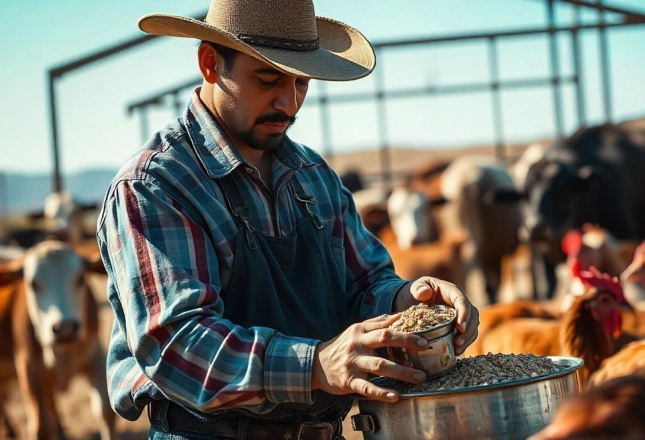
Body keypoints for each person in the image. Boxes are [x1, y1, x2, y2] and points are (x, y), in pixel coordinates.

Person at [96, 1, 479, 439]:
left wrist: (406, 300)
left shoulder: (313, 177)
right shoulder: (156, 186)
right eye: (267, 79)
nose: (289, 101)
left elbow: (366, 283)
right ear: (209, 63)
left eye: (301, 82)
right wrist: (316, 365)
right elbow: (180, 345)